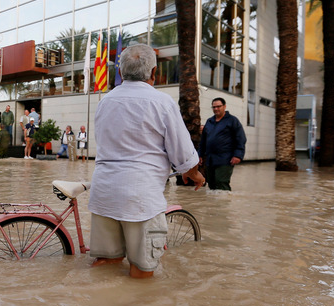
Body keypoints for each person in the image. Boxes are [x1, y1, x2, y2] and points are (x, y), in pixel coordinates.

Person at [88, 44, 205, 279]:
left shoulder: (105, 102)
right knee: (141, 270)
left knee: (107, 262)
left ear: (120, 73)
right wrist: (194, 173)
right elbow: (183, 152)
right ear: (154, 72)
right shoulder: (161, 102)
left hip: (104, 193)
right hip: (140, 198)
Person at [199, 97, 246, 191]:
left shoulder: (232, 120)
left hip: (225, 159)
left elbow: (241, 138)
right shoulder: (209, 121)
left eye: (218, 106)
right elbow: (203, 140)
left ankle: (224, 204)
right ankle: (213, 205)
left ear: (224, 106)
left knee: (221, 182)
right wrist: (199, 155)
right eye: (214, 107)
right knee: (211, 184)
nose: (216, 109)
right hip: (210, 159)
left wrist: (238, 155)